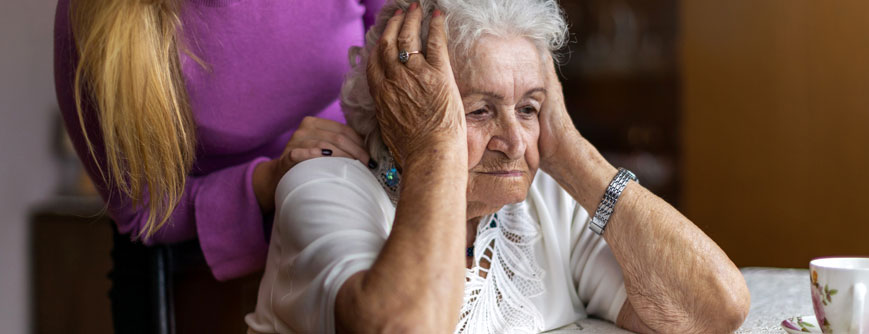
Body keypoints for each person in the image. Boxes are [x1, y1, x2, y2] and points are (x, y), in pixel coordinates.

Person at [246, 0, 751, 333]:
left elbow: (714, 309)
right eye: (478, 110)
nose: (513, 142)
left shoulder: (544, 196)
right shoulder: (326, 186)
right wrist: (434, 149)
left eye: (530, 108)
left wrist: (573, 154)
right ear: (404, 113)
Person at [54, 0, 385, 331]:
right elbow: (139, 209)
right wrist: (268, 179)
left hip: (347, 219)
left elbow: (405, 71)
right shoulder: (95, 16)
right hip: (190, 269)